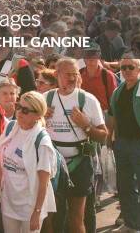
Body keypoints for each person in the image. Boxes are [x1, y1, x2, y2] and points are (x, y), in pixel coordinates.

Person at [45, 58, 107, 233]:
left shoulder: (88, 99)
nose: (72, 78)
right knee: (50, 217)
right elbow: (29, 128)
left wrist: (86, 125)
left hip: (79, 163)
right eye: (68, 75)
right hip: (52, 165)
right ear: (57, 75)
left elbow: (103, 136)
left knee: (76, 218)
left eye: (75, 74)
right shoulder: (45, 98)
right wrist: (41, 118)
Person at [108, 56, 140, 233]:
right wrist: (109, 140)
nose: (127, 71)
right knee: (125, 187)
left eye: (131, 67)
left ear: (139, 70)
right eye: (123, 68)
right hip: (121, 144)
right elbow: (113, 117)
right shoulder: (118, 91)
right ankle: (130, 223)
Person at [0, 90, 56, 233]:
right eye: (18, 107)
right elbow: (2, 163)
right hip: (9, 202)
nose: (19, 112)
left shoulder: (42, 142)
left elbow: (43, 182)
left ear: (38, 115)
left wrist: (37, 212)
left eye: (26, 110)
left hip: (30, 206)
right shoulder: (10, 127)